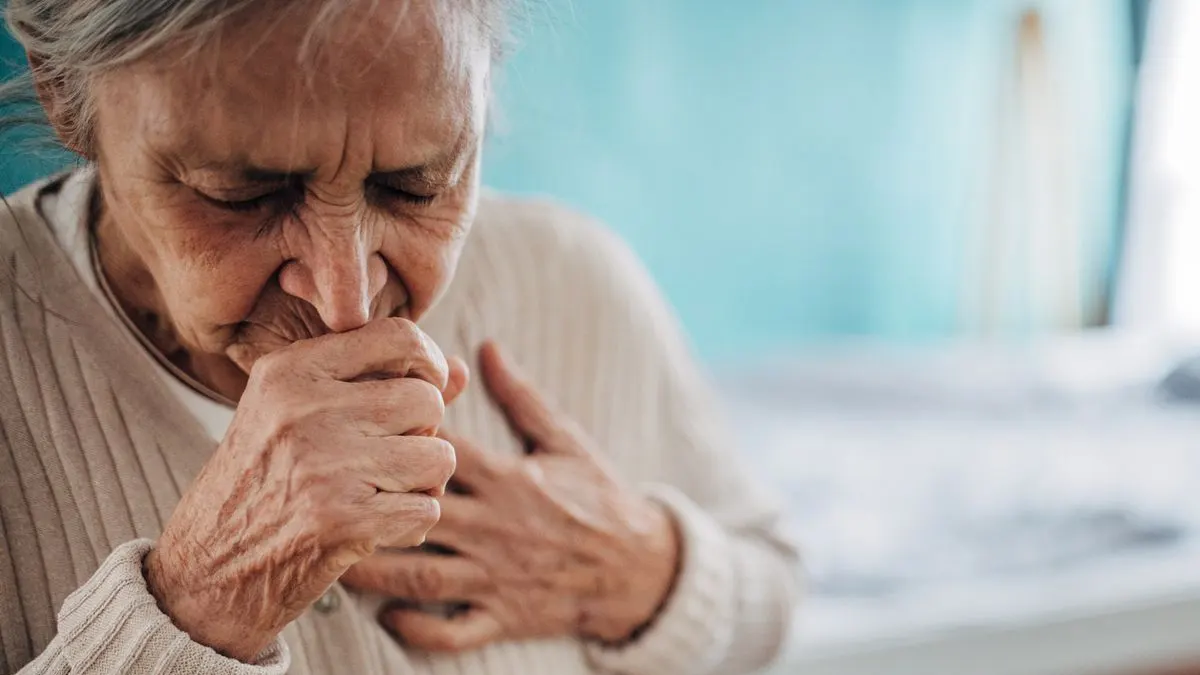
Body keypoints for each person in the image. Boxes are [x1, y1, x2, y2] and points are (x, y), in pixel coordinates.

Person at [0, 0, 801, 673]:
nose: (350, 304)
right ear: (64, 91)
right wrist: (200, 605)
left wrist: (641, 571)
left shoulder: (572, 277)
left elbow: (770, 597)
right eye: (242, 195)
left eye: (417, 183)